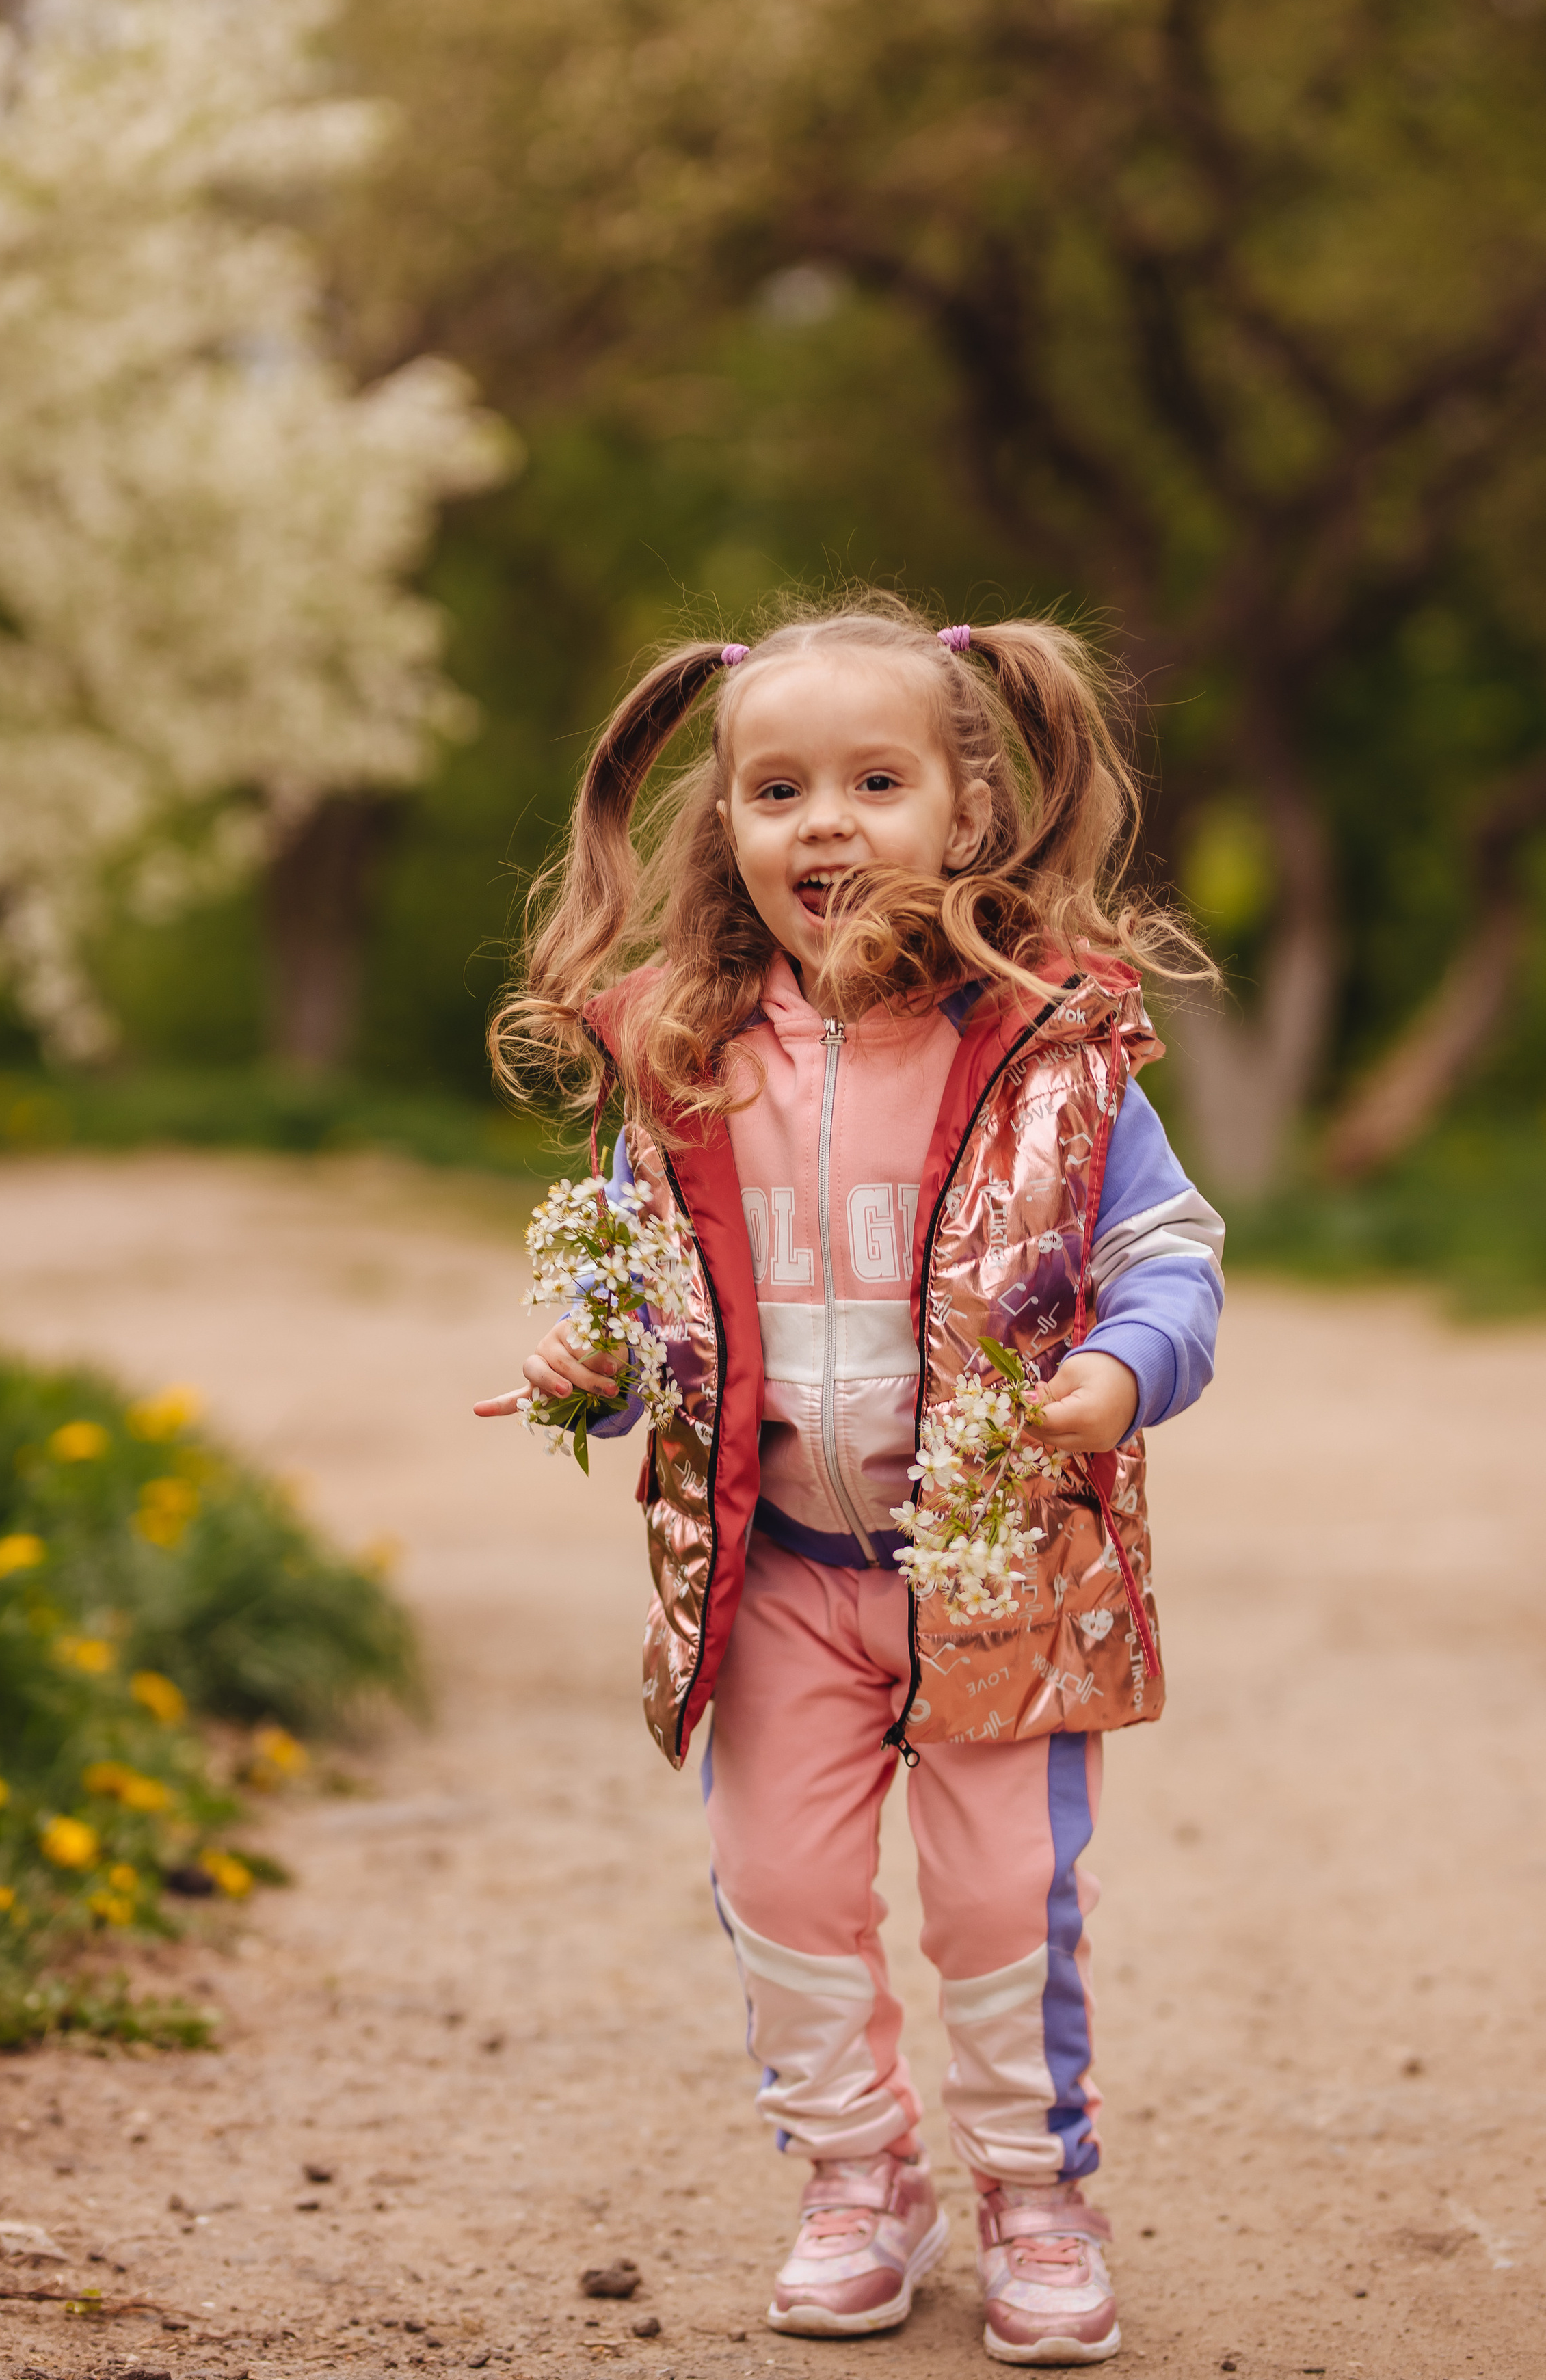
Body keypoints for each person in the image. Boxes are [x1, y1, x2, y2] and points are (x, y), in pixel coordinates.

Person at [475, 596, 1223, 2366]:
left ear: (967, 810)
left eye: (874, 781)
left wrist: (1118, 1378)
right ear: (726, 830)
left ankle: (1036, 2193)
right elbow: (640, 1280)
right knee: (785, 1888)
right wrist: (594, 1365)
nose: (824, 822)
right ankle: (854, 2176)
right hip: (779, 1571)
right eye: (778, 789)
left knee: (996, 1903)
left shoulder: (1055, 1046)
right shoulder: (678, 1051)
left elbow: (1172, 1258)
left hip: (992, 1563)